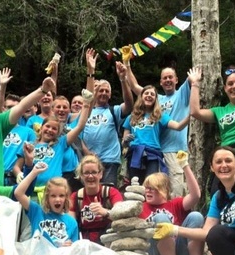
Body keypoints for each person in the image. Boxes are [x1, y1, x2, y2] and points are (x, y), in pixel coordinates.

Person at [125, 62, 192, 197]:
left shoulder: (181, 94)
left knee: (175, 189)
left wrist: (193, 113)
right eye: (165, 78)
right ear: (160, 82)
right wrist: (127, 64)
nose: (168, 80)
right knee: (153, 188)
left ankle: (175, 216)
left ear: (176, 80)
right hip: (156, 152)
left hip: (174, 149)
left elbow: (192, 79)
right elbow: (134, 86)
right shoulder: (156, 99)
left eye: (170, 77)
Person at [139, 152, 204, 255]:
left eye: (152, 188)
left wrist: (185, 166)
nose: (148, 191)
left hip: (180, 252)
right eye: (146, 188)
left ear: (164, 190)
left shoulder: (175, 204)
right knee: (161, 218)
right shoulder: (140, 207)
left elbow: (196, 195)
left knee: (196, 216)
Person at [81, 49, 133, 186]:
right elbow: (77, 135)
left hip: (110, 160)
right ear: (95, 92)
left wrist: (123, 79)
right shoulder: (85, 111)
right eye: (101, 90)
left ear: (110, 95)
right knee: (89, 195)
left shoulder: (113, 111)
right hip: (89, 160)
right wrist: (87, 153)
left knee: (108, 195)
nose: (103, 93)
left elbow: (129, 105)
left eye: (107, 91)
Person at [122, 85, 189, 183]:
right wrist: (126, 141)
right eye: (146, 93)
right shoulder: (131, 117)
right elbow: (124, 144)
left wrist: (191, 116)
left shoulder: (160, 116)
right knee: (134, 185)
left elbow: (178, 126)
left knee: (151, 184)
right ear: (141, 97)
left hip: (153, 155)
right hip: (135, 154)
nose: (149, 95)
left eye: (152, 94)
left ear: (155, 99)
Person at [14, 162, 79, 247]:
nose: (57, 199)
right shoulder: (37, 211)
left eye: (61, 195)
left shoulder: (72, 222)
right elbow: (18, 193)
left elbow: (76, 251)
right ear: (47, 198)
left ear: (66, 198)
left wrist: (70, 247)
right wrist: (34, 172)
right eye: (53, 196)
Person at [69, 154, 123, 243]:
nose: (90, 176)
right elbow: (70, 224)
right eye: (86, 173)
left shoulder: (112, 192)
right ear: (81, 176)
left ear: (100, 174)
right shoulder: (75, 197)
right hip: (85, 243)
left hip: (109, 241)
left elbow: (122, 215)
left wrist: (105, 212)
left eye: (94, 172)